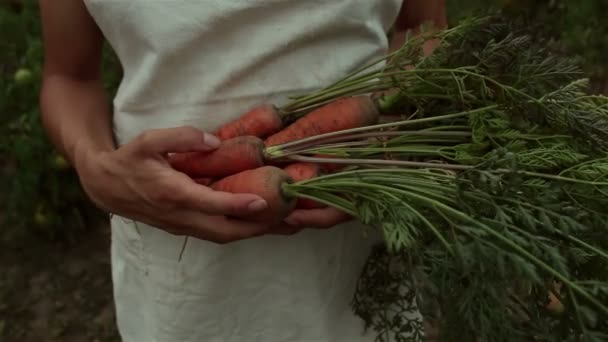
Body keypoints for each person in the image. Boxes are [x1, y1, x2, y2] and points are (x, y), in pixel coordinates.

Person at [38, 1, 447, 341]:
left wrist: (397, 133)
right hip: (175, 264)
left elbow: (423, 28)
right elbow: (68, 77)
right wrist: (93, 164)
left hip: (357, 237)